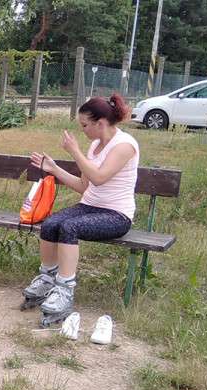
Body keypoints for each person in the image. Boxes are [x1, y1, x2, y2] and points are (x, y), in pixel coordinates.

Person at [22, 93, 138, 327]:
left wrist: (74, 151)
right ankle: (47, 279)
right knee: (51, 223)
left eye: (85, 125)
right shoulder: (95, 145)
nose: (82, 130)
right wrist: (54, 169)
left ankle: (65, 290)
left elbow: (99, 178)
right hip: (89, 206)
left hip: (116, 215)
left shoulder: (125, 145)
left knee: (69, 227)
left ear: (100, 123)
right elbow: (84, 186)